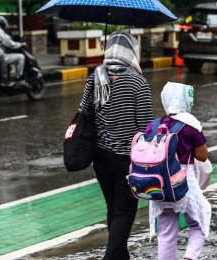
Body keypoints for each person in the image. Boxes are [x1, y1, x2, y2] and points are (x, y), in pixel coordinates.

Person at [79, 31, 154, 259]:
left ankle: (120, 256)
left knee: (113, 208)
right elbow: (146, 127)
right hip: (127, 161)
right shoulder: (138, 82)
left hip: (100, 158)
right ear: (133, 52)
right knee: (124, 211)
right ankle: (111, 256)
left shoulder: (95, 76)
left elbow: (83, 111)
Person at [145, 82, 211, 260]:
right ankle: (190, 257)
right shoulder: (190, 124)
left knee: (166, 232)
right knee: (199, 221)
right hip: (183, 182)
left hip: (158, 183)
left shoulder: (153, 125)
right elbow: (202, 156)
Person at [0, 16, 27, 82]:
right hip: (0, 56)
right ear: (2, 25)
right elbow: (10, 44)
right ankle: (18, 78)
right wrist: (21, 44)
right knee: (21, 57)